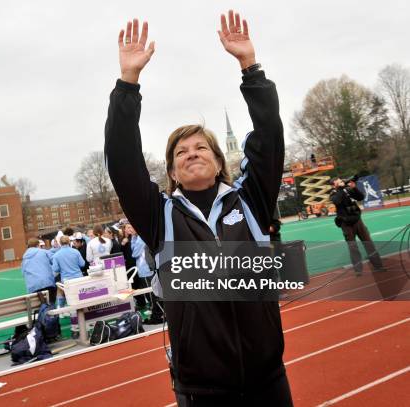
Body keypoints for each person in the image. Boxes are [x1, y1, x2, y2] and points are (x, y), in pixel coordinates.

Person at [104, 12, 292, 406]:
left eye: (200, 147)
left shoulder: (251, 199)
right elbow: (122, 161)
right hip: (203, 390)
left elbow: (270, 138)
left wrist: (249, 67)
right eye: (181, 153)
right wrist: (127, 83)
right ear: (171, 171)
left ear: (219, 160)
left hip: (268, 380)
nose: (192, 155)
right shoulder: (160, 217)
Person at [330, 177, 385, 276]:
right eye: (339, 182)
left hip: (357, 221)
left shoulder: (347, 189)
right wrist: (340, 189)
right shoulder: (333, 193)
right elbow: (337, 201)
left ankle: (378, 266)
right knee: (353, 247)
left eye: (341, 180)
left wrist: (354, 188)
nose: (342, 182)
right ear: (334, 185)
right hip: (346, 224)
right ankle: (358, 270)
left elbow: (360, 197)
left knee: (368, 243)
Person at [52, 235, 86, 337]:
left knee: (72, 304)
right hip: (78, 279)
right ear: (69, 242)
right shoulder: (75, 251)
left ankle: (75, 327)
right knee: (81, 301)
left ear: (60, 243)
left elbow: (55, 269)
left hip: (67, 281)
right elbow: (82, 264)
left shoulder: (57, 255)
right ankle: (84, 324)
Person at [21, 237, 57, 304]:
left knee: (39, 306)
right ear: (38, 245)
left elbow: (23, 273)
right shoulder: (44, 252)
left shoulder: (24, 258)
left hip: (33, 288)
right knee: (51, 303)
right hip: (48, 284)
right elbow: (55, 261)